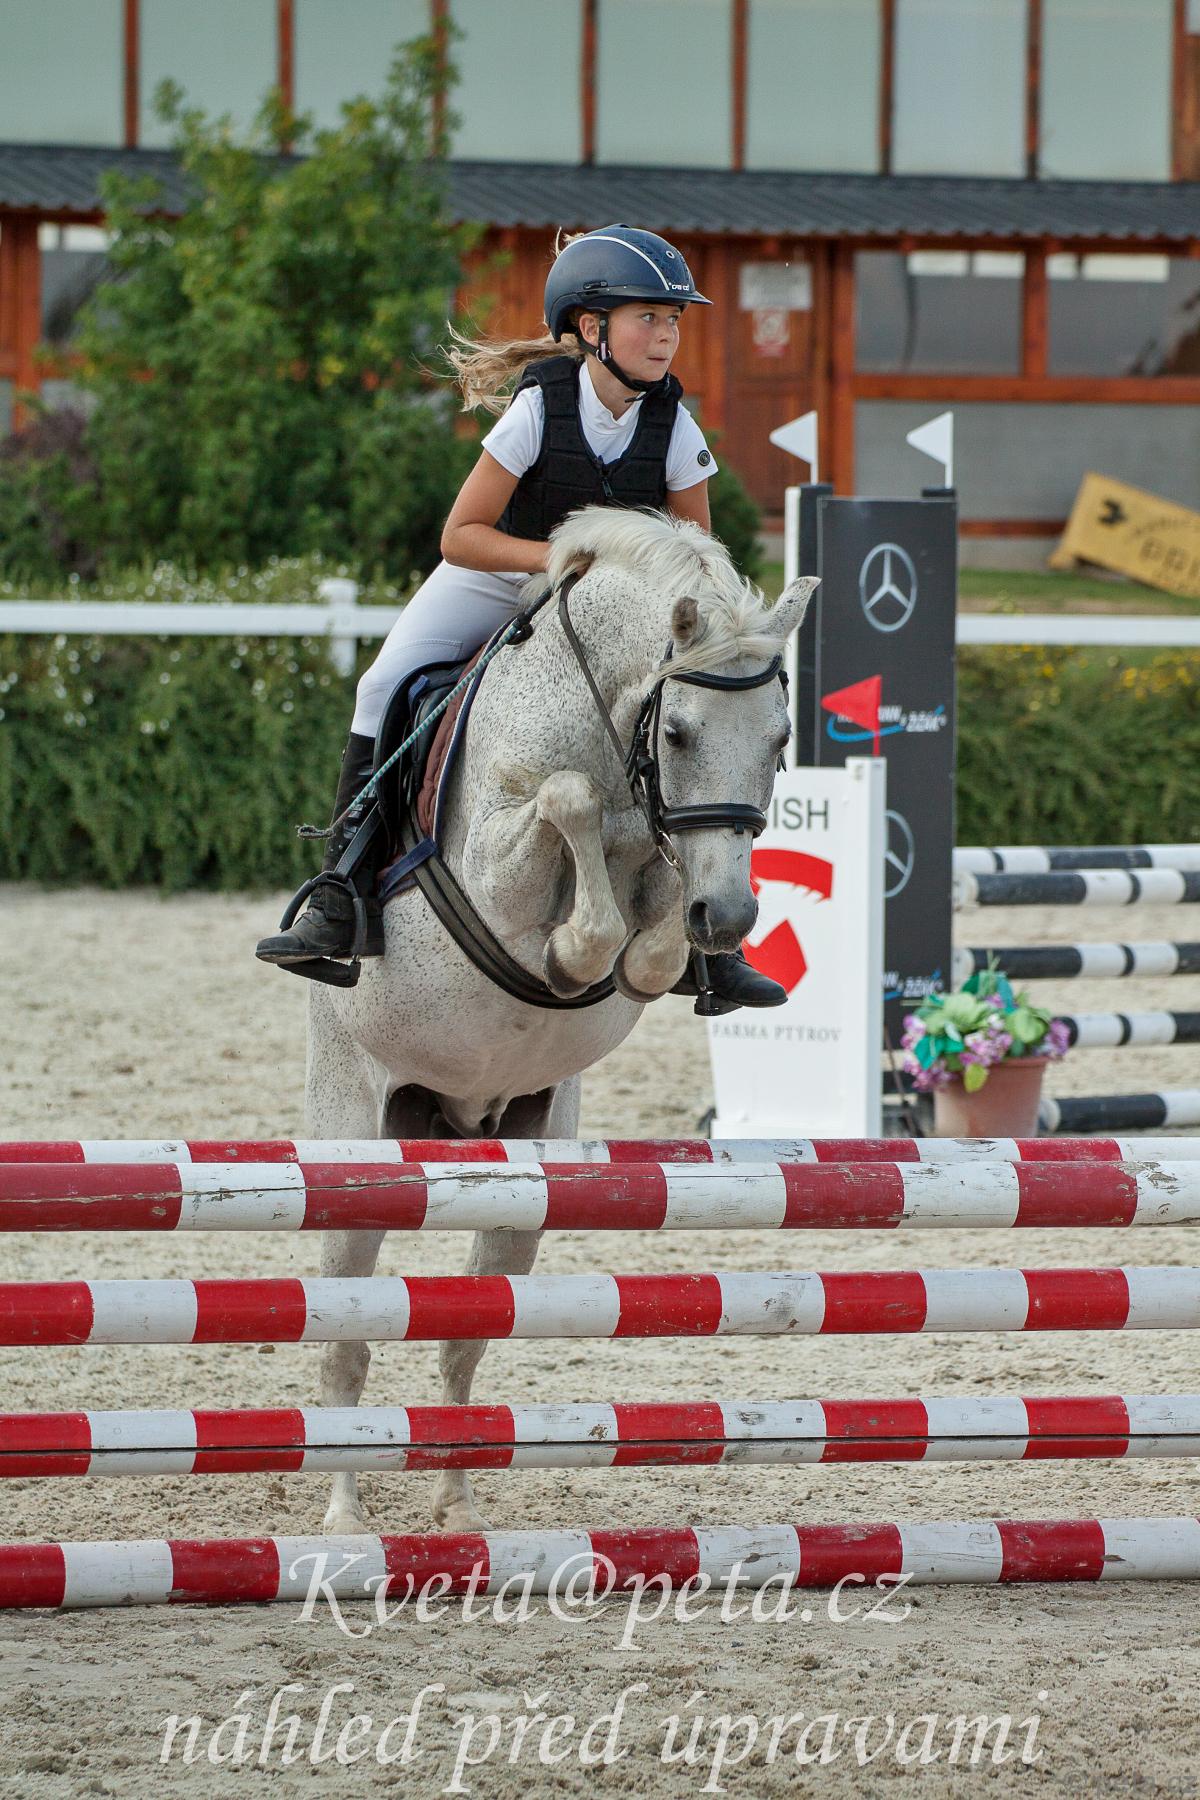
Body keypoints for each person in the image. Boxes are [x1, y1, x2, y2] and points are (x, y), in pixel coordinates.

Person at [256, 224, 785, 1009]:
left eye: (674, 320)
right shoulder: (539, 410)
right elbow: (461, 536)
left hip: (611, 609)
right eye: (648, 317)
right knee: (381, 684)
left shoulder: (676, 426)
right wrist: (558, 561)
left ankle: (708, 948)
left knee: (702, 716)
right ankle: (344, 890)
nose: (667, 335)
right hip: (502, 575)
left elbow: (697, 561)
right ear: (591, 328)